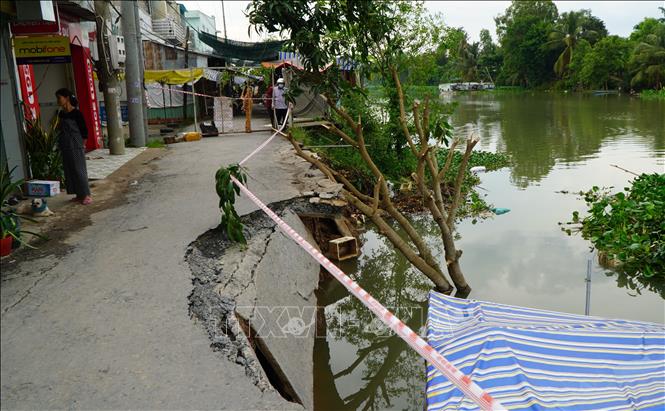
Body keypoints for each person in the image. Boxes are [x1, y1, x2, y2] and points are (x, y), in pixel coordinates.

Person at [55, 88, 92, 205]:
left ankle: (86, 194)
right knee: (69, 170)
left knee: (79, 170)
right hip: (65, 144)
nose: (58, 101)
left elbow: (84, 131)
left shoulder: (77, 113)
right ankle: (78, 194)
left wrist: (82, 144)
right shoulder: (61, 114)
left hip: (76, 145)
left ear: (66, 98)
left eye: (59, 98)